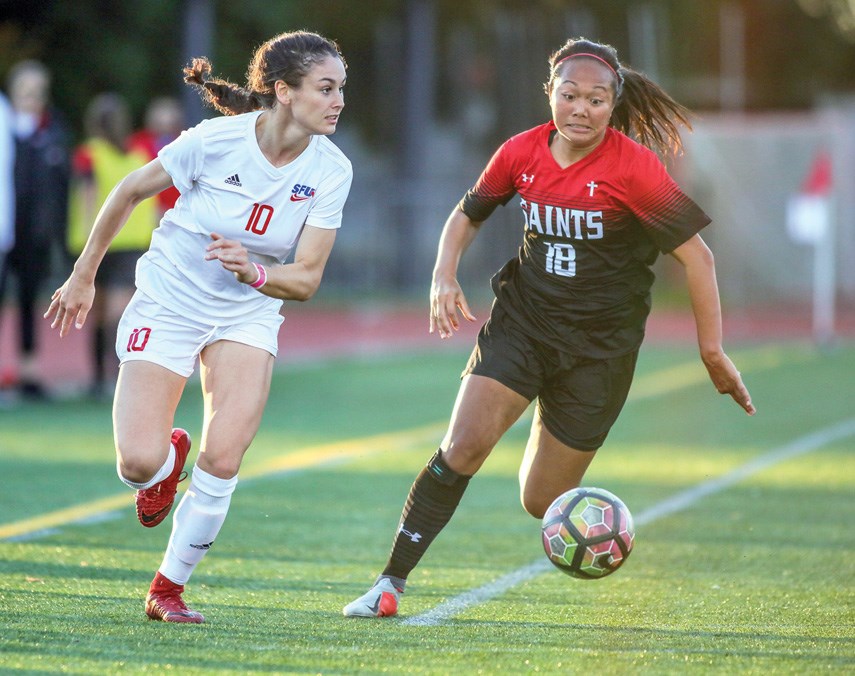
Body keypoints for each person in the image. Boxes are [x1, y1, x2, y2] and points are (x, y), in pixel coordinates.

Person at [342, 37, 755, 619]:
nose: (580, 109)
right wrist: (443, 275)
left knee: (541, 501)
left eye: (595, 99)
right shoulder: (519, 152)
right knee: (461, 447)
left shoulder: (634, 167)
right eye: (569, 96)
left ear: (613, 105)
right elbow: (467, 214)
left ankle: (597, 512)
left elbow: (698, 258)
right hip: (524, 324)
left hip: (600, 351)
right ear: (550, 95)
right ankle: (389, 584)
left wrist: (711, 352)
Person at [45, 30, 351, 623]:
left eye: (341, 88)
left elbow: (307, 278)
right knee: (137, 464)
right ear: (284, 92)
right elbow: (130, 190)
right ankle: (165, 461)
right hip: (170, 299)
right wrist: (83, 275)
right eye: (326, 88)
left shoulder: (332, 171)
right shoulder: (216, 140)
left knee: (226, 456)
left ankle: (167, 590)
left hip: (247, 311)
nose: (338, 100)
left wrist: (255, 274)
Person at [68, 93, 157, 399]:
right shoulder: (141, 152)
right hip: (134, 240)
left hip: (99, 243)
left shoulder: (89, 153)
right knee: (116, 312)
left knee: (102, 312)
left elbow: (89, 196)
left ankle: (106, 377)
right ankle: (117, 375)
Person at [0, 60, 70, 400]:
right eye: (27, 91)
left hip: (34, 233)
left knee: (31, 299)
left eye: (39, 91)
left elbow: (59, 187)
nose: (33, 98)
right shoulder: (5, 128)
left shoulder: (52, 130)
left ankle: (28, 370)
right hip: (4, 228)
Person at [128, 96, 184, 216]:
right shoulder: (139, 143)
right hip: (147, 207)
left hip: (177, 209)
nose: (166, 123)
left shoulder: (183, 141)